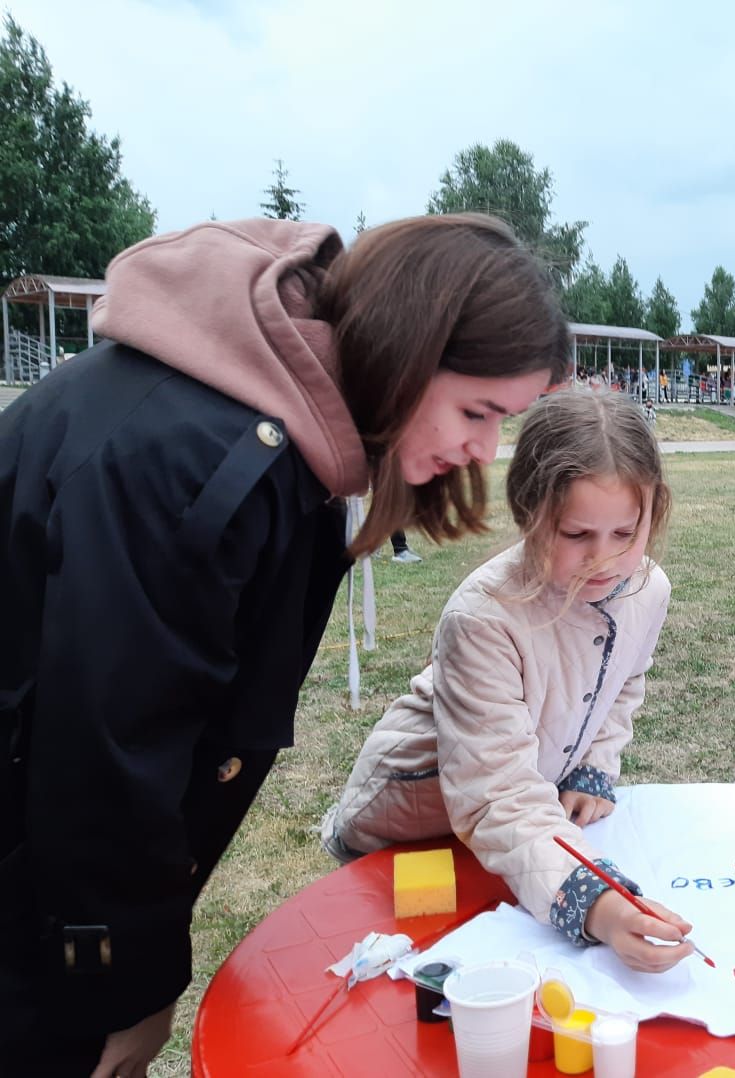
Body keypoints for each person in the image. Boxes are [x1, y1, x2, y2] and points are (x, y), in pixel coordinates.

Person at [0, 213, 570, 1076]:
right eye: (477, 411)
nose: (483, 450)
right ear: (406, 354)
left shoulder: (270, 434)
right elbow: (108, 755)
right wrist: (122, 985)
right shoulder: (201, 460)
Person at [322, 390, 692, 970]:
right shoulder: (482, 619)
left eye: (626, 533)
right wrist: (598, 904)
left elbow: (624, 682)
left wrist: (596, 766)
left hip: (515, 826)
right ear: (529, 513)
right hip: (412, 823)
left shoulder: (650, 589)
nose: (605, 558)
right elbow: (496, 795)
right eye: (576, 535)